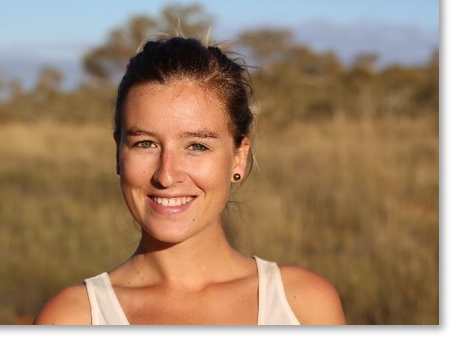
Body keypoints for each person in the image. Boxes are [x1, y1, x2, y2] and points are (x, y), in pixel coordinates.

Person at [33, 36, 346, 325]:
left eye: (197, 146)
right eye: (145, 143)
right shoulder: (74, 319)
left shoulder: (304, 306)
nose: (166, 175)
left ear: (238, 157)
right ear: (118, 153)